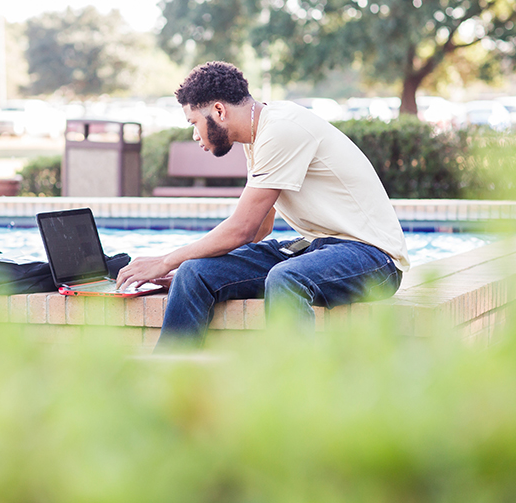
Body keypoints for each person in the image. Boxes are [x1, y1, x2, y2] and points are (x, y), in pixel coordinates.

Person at [115, 61, 409, 350]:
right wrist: (206, 267)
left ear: (219, 110)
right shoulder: (256, 136)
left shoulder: (281, 130)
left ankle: (297, 393)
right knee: (195, 273)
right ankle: (169, 383)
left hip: (373, 257)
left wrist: (165, 260)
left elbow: (242, 229)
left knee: (286, 279)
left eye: (194, 122)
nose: (195, 135)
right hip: (318, 247)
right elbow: (260, 227)